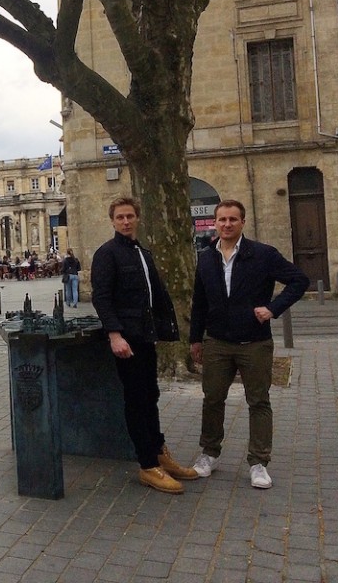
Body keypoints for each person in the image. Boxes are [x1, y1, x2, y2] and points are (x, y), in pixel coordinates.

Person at [189, 199, 308, 489]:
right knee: (213, 399)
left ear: (243, 222)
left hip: (254, 342)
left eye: (233, 219)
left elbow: (299, 280)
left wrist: (272, 308)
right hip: (217, 342)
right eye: (222, 220)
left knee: (258, 401)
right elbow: (199, 301)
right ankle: (209, 454)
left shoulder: (263, 255)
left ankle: (258, 462)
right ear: (215, 223)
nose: (227, 224)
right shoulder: (206, 257)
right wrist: (195, 338)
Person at [91, 196, 198, 494]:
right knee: (137, 400)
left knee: (150, 394)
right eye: (120, 217)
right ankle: (147, 464)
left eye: (130, 216)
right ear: (112, 221)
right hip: (127, 340)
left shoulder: (143, 252)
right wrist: (114, 335)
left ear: (137, 218)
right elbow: (102, 298)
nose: (125, 221)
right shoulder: (107, 254)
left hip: (146, 336)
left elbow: (155, 296)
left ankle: (159, 452)